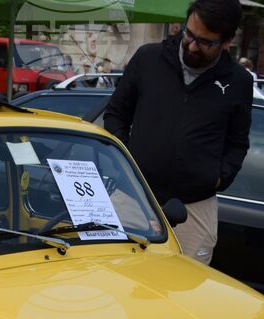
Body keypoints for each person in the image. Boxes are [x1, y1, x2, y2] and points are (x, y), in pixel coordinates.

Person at [104, 0, 252, 265]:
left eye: (205, 42)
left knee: (186, 294)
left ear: (227, 41)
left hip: (195, 207)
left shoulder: (239, 81)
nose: (192, 45)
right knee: (118, 286)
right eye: (189, 33)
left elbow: (238, 143)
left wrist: (219, 177)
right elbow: (115, 114)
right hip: (132, 197)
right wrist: (125, 163)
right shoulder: (148, 58)